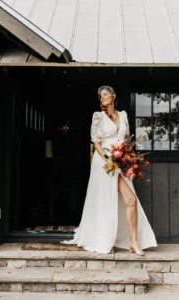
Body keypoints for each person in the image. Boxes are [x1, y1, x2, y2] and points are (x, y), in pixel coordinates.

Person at [61, 86, 157, 255]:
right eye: (100, 95)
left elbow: (126, 142)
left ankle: (134, 242)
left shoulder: (123, 115)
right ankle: (104, 240)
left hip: (121, 162)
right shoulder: (98, 116)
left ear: (114, 96)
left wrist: (130, 164)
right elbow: (96, 142)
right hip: (104, 163)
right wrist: (108, 161)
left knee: (131, 200)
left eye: (105, 94)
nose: (102, 97)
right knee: (106, 200)